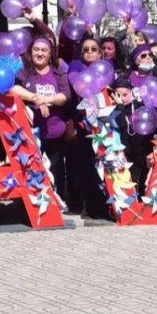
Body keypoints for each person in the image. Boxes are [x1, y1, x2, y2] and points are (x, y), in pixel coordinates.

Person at [12, 37, 72, 203]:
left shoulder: (58, 73)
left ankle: (57, 202)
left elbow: (65, 96)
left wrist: (47, 99)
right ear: (30, 52)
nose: (39, 53)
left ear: (50, 53)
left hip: (55, 132)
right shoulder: (23, 73)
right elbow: (13, 88)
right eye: (36, 49)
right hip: (30, 133)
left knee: (55, 169)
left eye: (44, 50)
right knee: (30, 169)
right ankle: (33, 203)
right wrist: (35, 98)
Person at [66, 37, 108, 217]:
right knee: (84, 167)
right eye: (86, 49)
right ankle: (87, 205)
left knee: (104, 164)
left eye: (93, 49)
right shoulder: (76, 68)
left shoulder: (107, 68)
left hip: (105, 124)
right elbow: (76, 84)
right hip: (82, 124)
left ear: (100, 53)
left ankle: (105, 203)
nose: (90, 52)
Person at [112, 77, 153, 196]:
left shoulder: (140, 106)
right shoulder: (114, 110)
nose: (122, 98)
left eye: (125, 94)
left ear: (131, 92)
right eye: (118, 95)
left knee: (141, 180)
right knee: (127, 181)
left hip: (141, 150)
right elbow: (120, 124)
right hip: (125, 152)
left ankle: (140, 199)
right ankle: (131, 202)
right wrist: (119, 107)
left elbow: (150, 127)